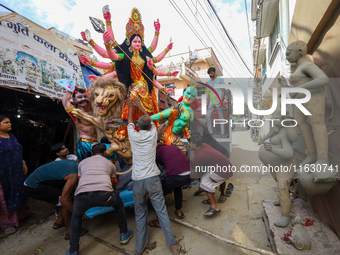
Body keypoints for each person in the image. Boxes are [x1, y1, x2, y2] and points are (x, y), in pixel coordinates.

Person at [103, 8, 178, 142]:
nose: (138, 43)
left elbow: (153, 75)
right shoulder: (124, 56)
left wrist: (165, 89)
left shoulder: (146, 57)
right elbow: (112, 55)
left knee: (148, 111)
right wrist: (107, 44)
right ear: (130, 44)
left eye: (139, 41)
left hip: (145, 89)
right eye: (135, 42)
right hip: (132, 88)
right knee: (129, 104)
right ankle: (127, 131)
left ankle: (147, 130)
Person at [126, 98, 181, 255]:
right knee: (161, 211)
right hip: (152, 179)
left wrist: (130, 108)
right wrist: (139, 106)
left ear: (137, 126)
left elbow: (130, 123)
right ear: (149, 126)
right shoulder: (153, 134)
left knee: (140, 212)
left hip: (137, 181)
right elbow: (151, 121)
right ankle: (173, 245)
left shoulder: (133, 136)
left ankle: (139, 248)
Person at [65, 143, 133, 255]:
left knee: (76, 216)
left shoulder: (82, 163)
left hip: (82, 197)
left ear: (92, 153)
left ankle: (73, 250)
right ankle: (124, 233)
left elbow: (80, 180)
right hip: (105, 196)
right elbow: (112, 184)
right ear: (105, 153)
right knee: (118, 203)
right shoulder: (109, 164)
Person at [23, 160, 79, 240]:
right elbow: (64, 200)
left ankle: (59, 221)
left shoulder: (75, 163)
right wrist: (78, 214)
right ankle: (70, 231)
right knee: (65, 199)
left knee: (64, 194)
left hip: (32, 182)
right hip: (33, 186)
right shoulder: (74, 175)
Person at [0, 115, 31, 235]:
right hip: (4, 172)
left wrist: (23, 162)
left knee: (18, 190)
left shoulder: (11, 136)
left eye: (9, 122)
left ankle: (23, 214)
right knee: (5, 196)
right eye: (6, 122)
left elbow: (17, 151)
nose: (10, 124)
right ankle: (7, 223)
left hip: (16, 170)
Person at [189, 133, 233, 217]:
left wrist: (189, 181)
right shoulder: (204, 145)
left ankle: (215, 207)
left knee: (204, 183)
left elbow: (194, 169)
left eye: (190, 143)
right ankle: (210, 200)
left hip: (223, 171)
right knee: (205, 180)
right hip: (225, 167)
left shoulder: (200, 155)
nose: (189, 144)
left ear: (194, 145)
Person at [148, 144, 191, 229]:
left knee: (158, 194)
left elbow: (155, 170)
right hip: (188, 175)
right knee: (177, 187)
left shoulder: (156, 152)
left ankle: (159, 221)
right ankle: (178, 211)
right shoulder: (173, 147)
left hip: (175, 177)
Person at [192, 116, 233, 201]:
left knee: (220, 173)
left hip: (222, 155)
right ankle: (202, 187)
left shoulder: (206, 137)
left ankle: (222, 195)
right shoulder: (196, 147)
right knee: (201, 170)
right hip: (212, 159)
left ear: (199, 137)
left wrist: (195, 118)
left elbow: (205, 127)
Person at [151, 86, 197, 155]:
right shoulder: (178, 107)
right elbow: (161, 114)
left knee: (182, 152)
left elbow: (185, 127)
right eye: (188, 93)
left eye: (192, 96)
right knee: (181, 151)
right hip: (166, 131)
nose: (189, 96)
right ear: (183, 93)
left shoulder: (191, 113)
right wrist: (148, 118)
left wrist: (189, 140)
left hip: (174, 135)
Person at [62, 87, 97, 161]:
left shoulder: (94, 108)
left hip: (97, 142)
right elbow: (65, 101)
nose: (83, 99)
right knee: (85, 164)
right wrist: (70, 88)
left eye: (85, 96)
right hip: (85, 143)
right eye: (79, 97)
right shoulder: (75, 113)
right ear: (74, 100)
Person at [206, 67, 226, 138]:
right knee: (207, 117)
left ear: (214, 72)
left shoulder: (220, 79)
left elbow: (223, 90)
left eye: (211, 73)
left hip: (218, 101)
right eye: (209, 74)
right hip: (211, 102)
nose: (210, 75)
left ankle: (222, 134)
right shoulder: (208, 82)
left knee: (221, 117)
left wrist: (221, 100)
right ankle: (211, 133)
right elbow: (208, 93)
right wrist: (207, 103)